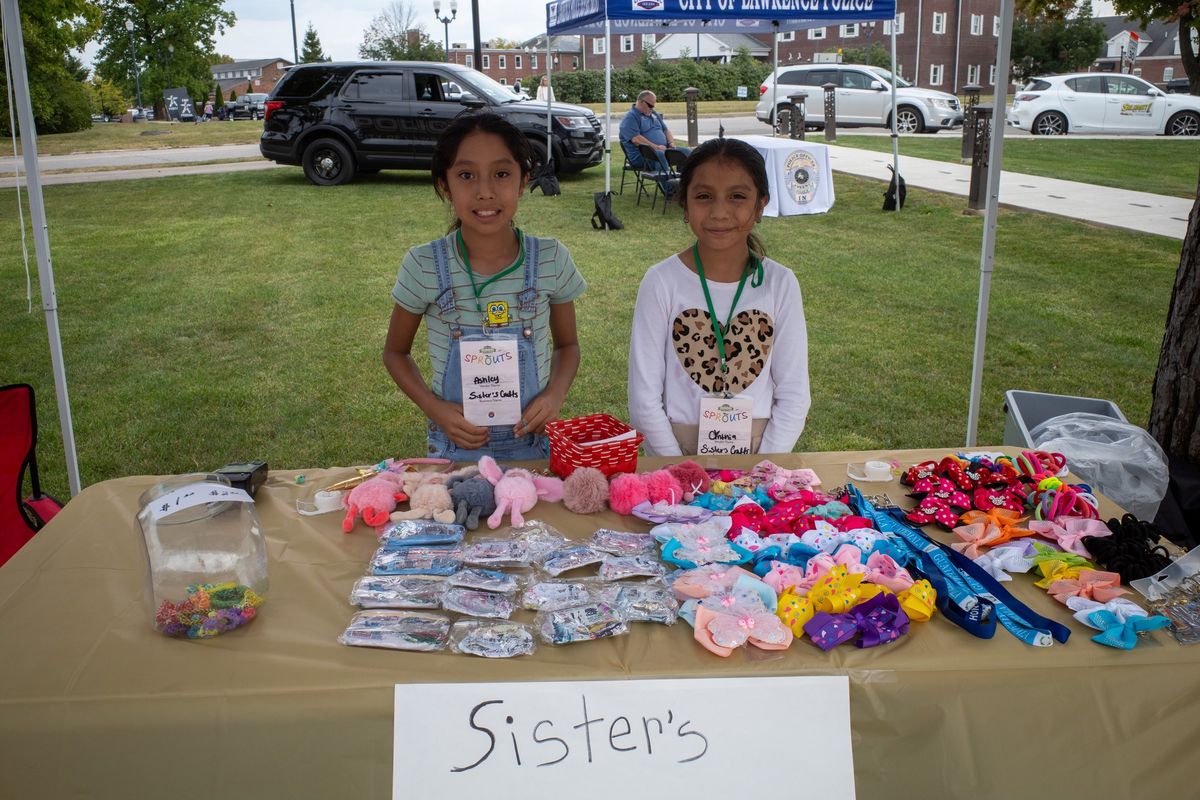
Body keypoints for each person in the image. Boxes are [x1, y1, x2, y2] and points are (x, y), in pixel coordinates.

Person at [384, 113, 586, 461]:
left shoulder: (552, 259)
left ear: (523, 181)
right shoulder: (423, 265)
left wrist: (554, 396)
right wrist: (436, 409)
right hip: (454, 450)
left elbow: (567, 346)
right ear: (445, 185)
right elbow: (395, 353)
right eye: (466, 175)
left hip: (532, 448)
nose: (485, 191)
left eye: (502, 174)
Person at [627, 137, 810, 456]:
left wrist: (762, 467)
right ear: (684, 204)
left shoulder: (780, 284)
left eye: (737, 196)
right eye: (703, 196)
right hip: (675, 452)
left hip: (759, 453)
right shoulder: (661, 282)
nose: (720, 212)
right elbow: (644, 397)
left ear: (760, 205)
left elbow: (794, 394)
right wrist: (676, 468)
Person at [619, 90, 690, 175]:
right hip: (643, 155)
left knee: (686, 152)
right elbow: (636, 139)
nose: (652, 108)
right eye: (650, 105)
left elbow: (666, 130)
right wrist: (656, 147)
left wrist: (671, 143)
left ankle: (684, 183)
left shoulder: (653, 113)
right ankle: (669, 187)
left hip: (663, 150)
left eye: (653, 106)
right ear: (641, 102)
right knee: (659, 156)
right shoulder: (631, 118)